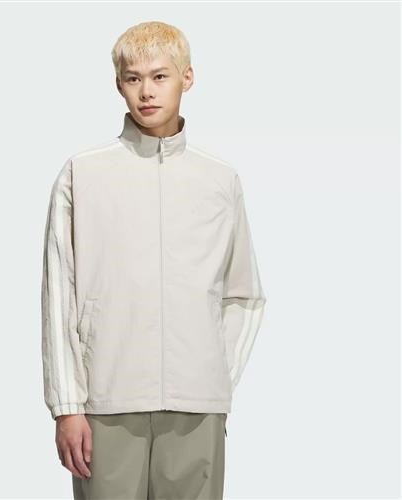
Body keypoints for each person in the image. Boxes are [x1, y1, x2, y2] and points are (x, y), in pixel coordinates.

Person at [41, 20, 267, 500]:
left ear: (187, 78)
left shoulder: (219, 180)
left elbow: (244, 293)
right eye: (133, 78)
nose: (146, 91)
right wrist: (66, 405)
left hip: (196, 408)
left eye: (160, 76)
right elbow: (59, 296)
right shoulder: (82, 174)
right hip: (105, 401)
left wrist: (211, 376)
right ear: (118, 84)